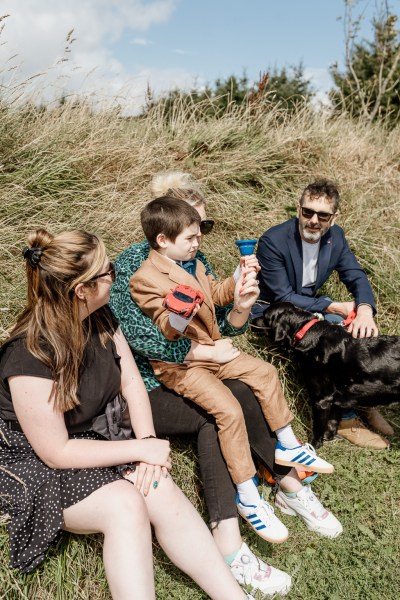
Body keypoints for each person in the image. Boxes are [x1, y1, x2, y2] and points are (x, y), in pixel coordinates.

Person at [110, 171, 342, 598]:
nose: (202, 240)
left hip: (202, 358)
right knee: (217, 414)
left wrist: (240, 304)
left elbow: (221, 325)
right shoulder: (132, 269)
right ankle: (232, 535)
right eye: (195, 230)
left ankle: (284, 478)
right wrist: (204, 349)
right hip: (148, 381)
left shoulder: (193, 260)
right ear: (164, 232)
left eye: (206, 230)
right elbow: (147, 342)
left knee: (252, 383)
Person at [0, 228, 256, 600]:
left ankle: (231, 595)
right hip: (33, 457)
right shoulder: (30, 354)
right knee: (125, 505)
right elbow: (55, 452)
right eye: (108, 273)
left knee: (158, 487)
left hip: (90, 435)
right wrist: (139, 450)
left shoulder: (101, 316)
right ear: (81, 290)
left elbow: (132, 384)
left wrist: (148, 441)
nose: (115, 275)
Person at [130, 195, 335, 506]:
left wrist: (238, 280)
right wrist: (178, 313)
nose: (197, 243)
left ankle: (289, 444)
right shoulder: (144, 279)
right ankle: (247, 492)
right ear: (162, 240)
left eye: (199, 235)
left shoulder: (194, 264)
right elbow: (166, 327)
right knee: (228, 410)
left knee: (264, 372)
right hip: (183, 367)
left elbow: (215, 293)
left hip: (214, 351)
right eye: (190, 238)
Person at [253, 179, 394, 450]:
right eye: (308, 212)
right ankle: (345, 419)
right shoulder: (273, 241)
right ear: (298, 210)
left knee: (359, 331)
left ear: (334, 217)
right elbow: (282, 296)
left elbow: (354, 274)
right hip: (275, 317)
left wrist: (364, 309)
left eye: (323, 215)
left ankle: (363, 399)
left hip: (310, 310)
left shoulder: (335, 236)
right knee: (333, 337)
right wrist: (330, 306)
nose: (313, 220)